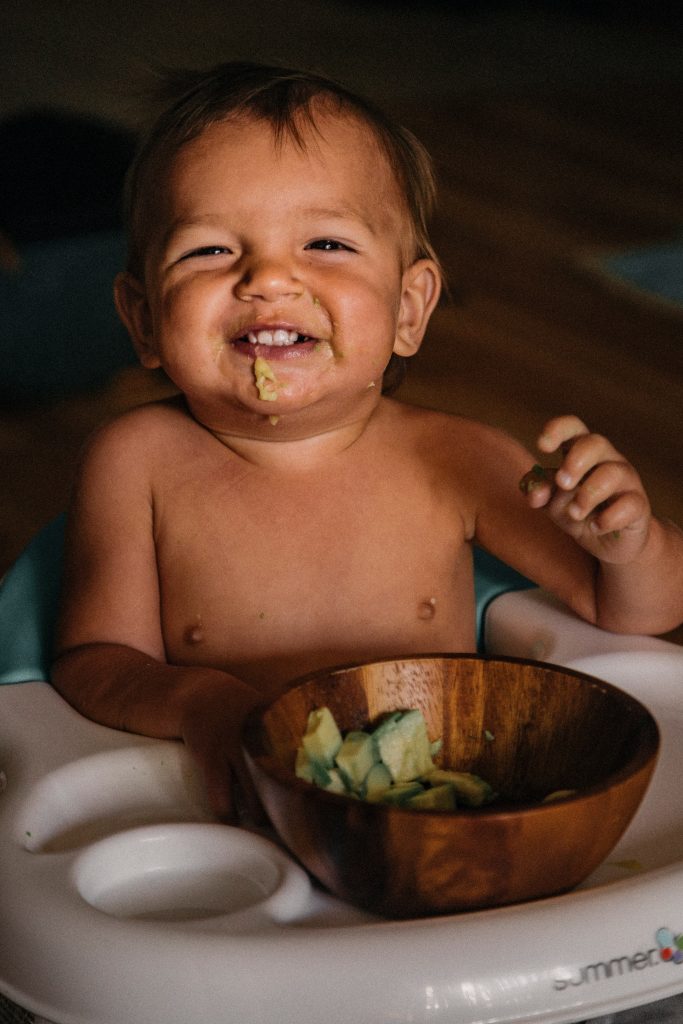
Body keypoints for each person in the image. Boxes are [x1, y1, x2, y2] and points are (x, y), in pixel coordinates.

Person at [51, 61, 683, 823]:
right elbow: (94, 663)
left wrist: (628, 544)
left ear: (410, 308)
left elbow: (635, 613)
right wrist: (201, 703)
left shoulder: (455, 459)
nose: (269, 279)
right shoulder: (137, 460)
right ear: (144, 319)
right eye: (209, 251)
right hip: (235, 809)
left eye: (324, 243)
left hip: (442, 812)